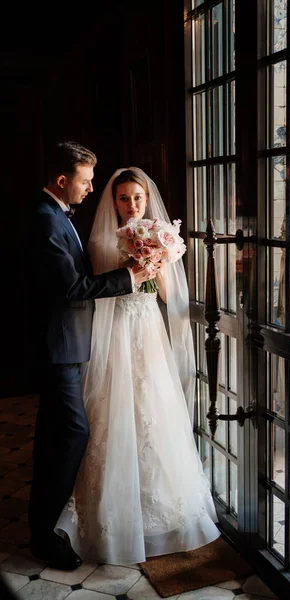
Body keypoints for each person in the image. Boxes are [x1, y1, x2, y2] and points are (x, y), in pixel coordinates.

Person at [55, 167, 221, 566]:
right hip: (113, 336)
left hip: (147, 334)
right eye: (124, 198)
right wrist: (127, 270)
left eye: (138, 198)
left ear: (148, 201)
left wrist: (155, 259)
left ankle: (163, 512)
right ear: (114, 201)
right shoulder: (97, 239)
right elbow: (90, 294)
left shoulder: (160, 234)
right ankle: (108, 515)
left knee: (154, 414)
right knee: (110, 416)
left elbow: (167, 297)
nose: (131, 205)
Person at [27, 143, 158, 571]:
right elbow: (72, 288)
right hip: (58, 348)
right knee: (72, 435)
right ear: (63, 181)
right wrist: (129, 276)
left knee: (54, 437)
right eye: (85, 181)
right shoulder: (47, 220)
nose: (90, 189)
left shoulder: (56, 217)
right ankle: (45, 536)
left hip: (67, 345)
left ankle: (39, 524)